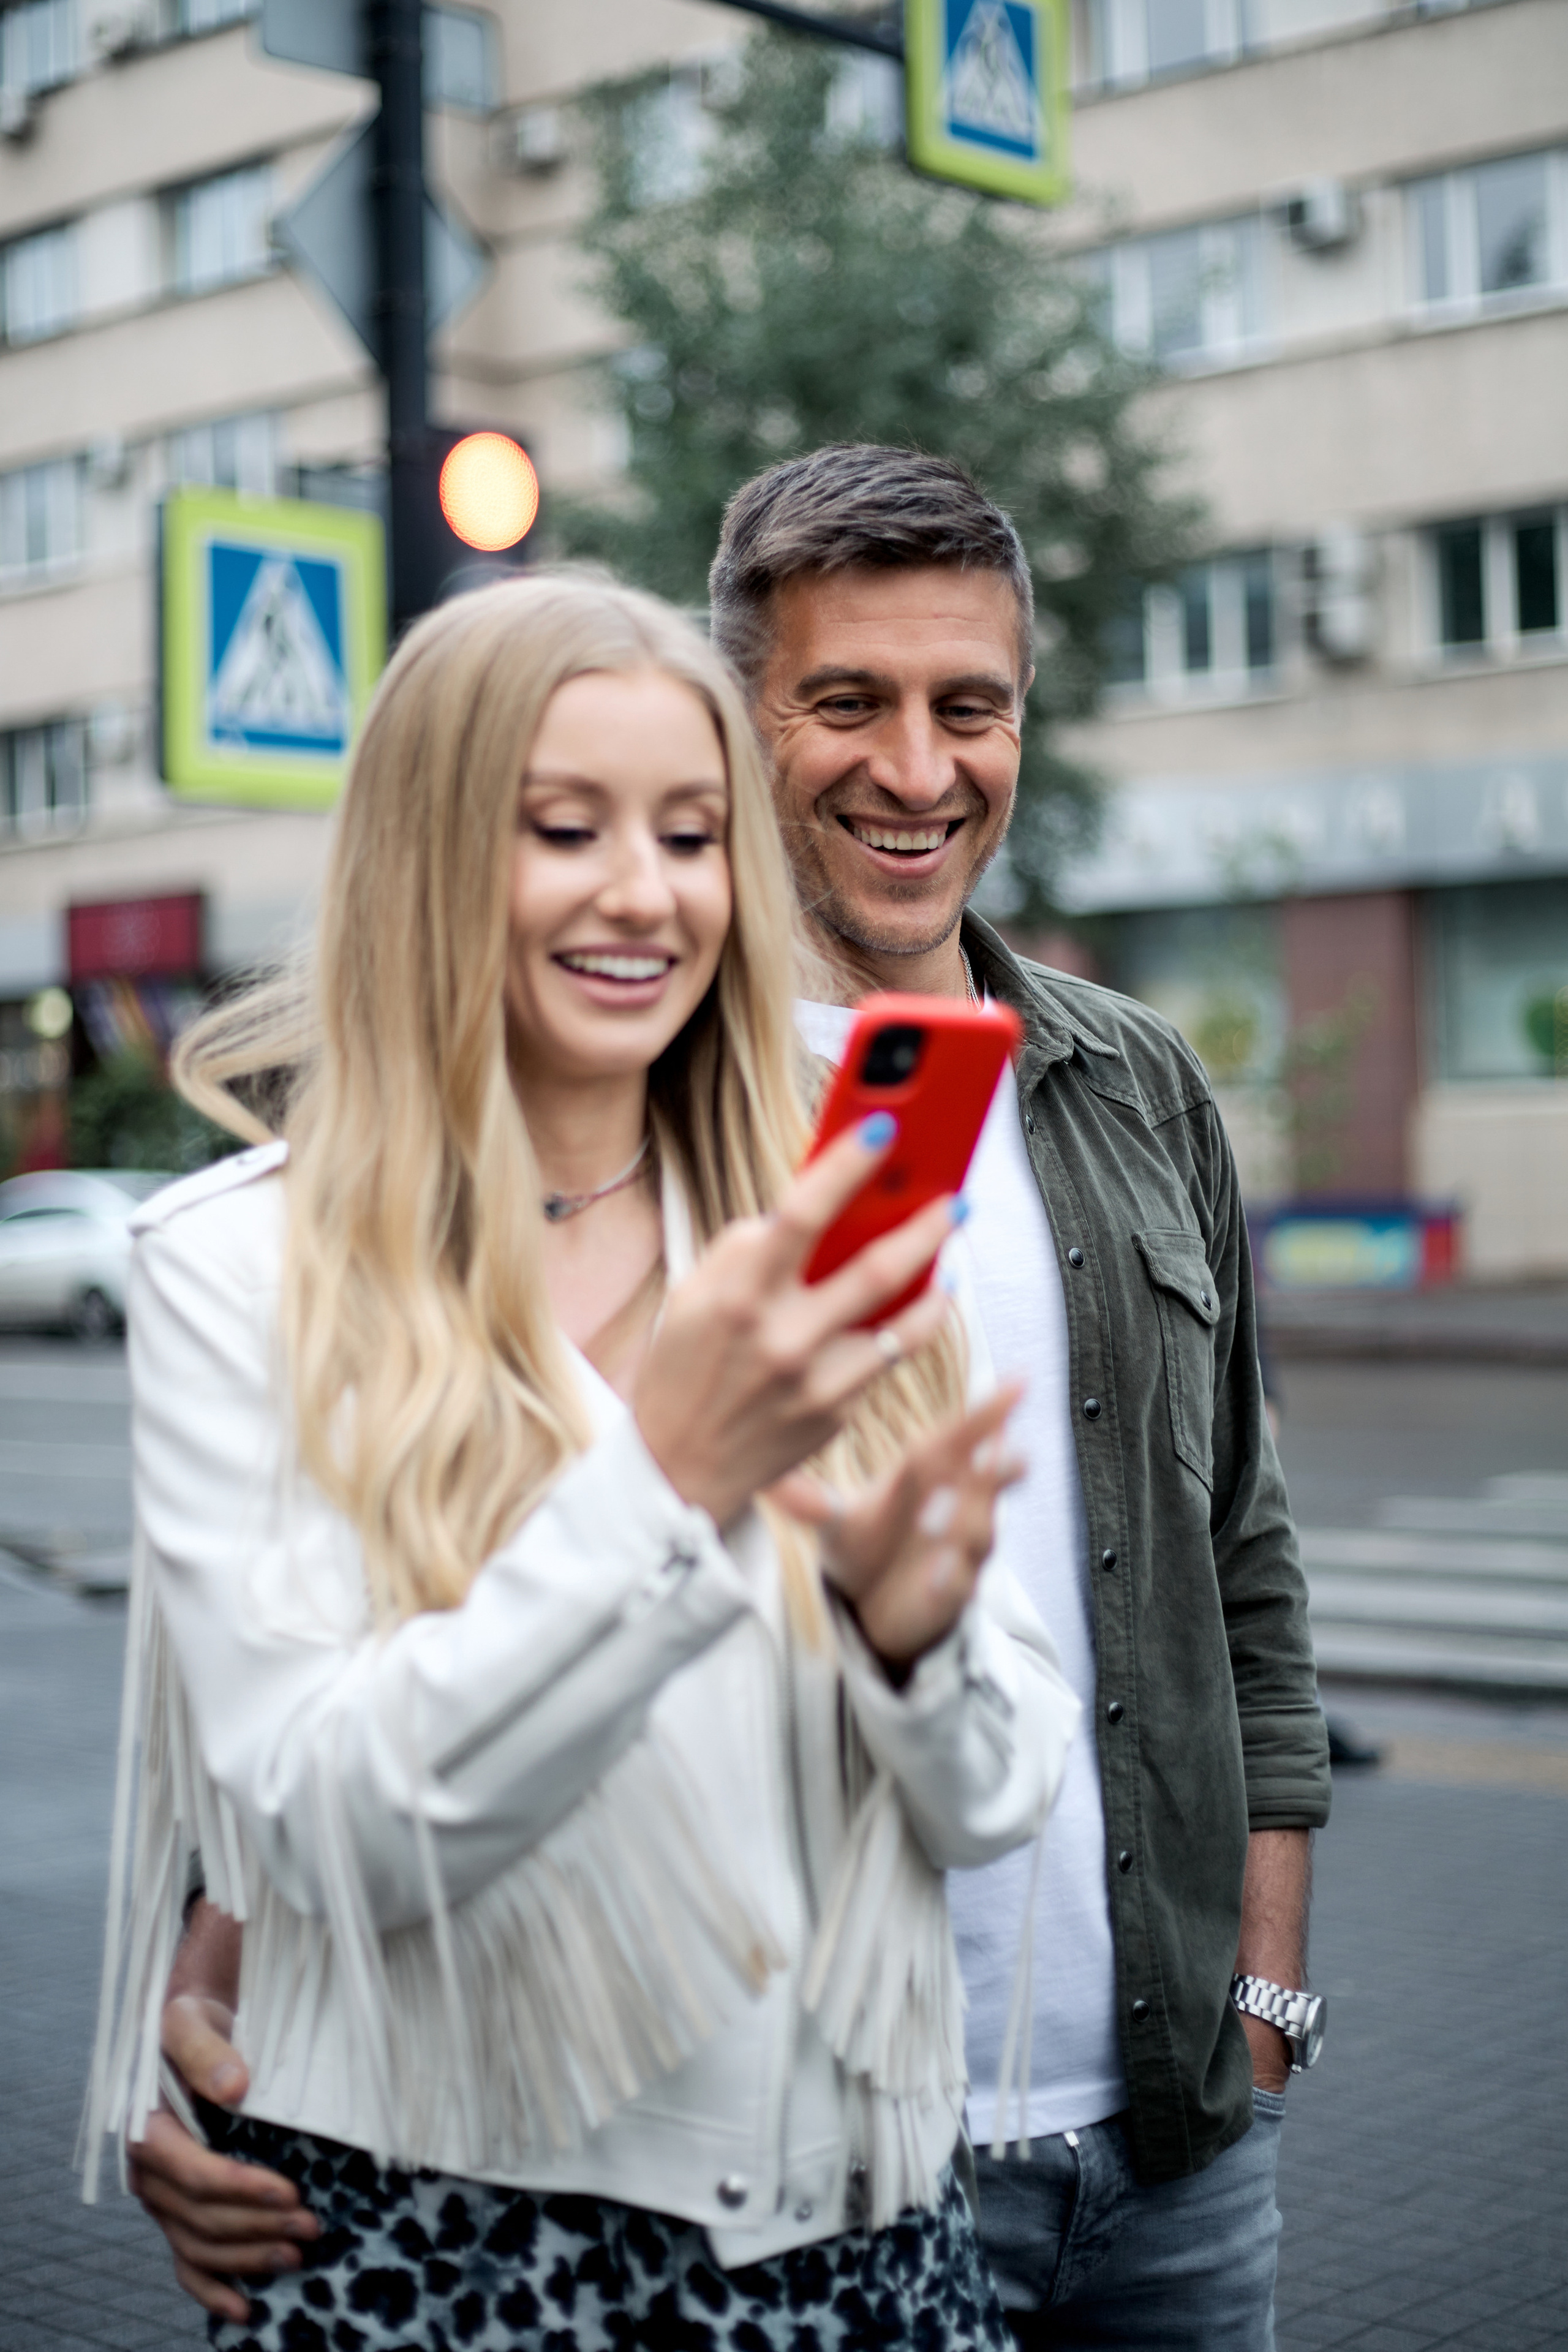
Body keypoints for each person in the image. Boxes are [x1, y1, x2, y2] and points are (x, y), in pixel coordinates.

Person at [130, 450, 1333, 2347]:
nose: (919, 770)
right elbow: (323, 1688)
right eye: (846, 702)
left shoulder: (1094, 1098)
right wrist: (226, 1995)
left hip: (1139, 2132)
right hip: (719, 2145)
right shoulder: (580, 1160)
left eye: (971, 708)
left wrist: (1261, 2007)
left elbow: (1234, 1568)